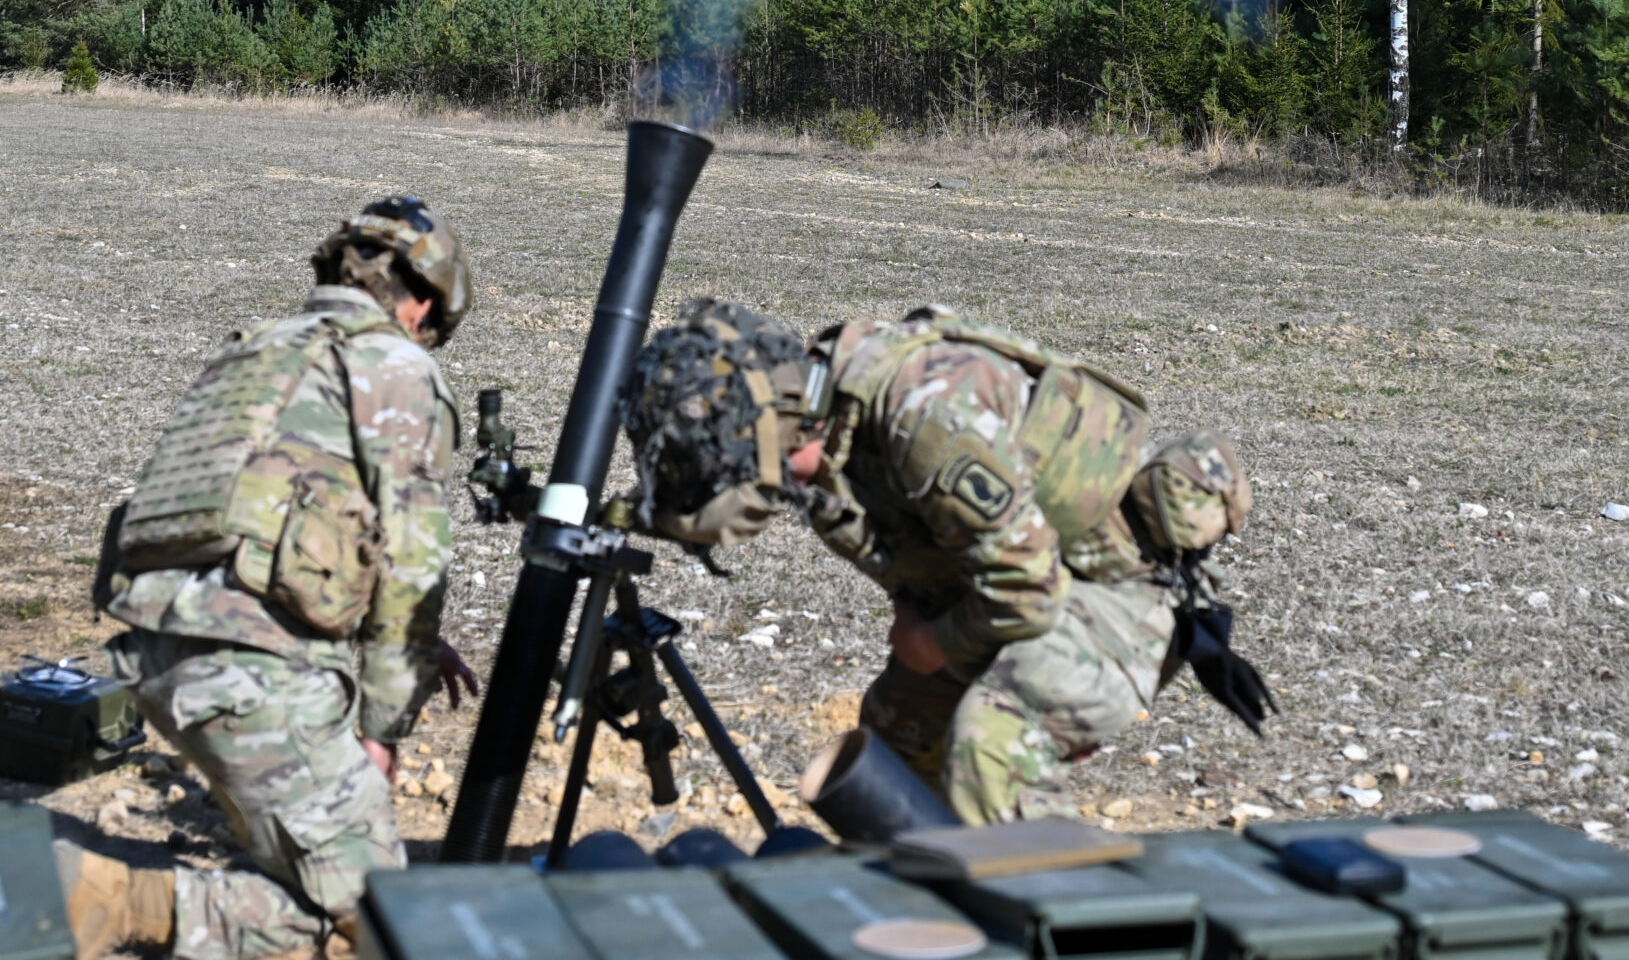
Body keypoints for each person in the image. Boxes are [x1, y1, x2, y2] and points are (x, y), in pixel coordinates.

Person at [624, 301, 1273, 825]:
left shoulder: (923, 418)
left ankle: (1051, 908)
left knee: (989, 740)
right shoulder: (812, 407)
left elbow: (1028, 588)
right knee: (894, 737)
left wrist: (931, 644)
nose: (757, 492)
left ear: (777, 426)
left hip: (1110, 604)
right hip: (1018, 592)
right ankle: (922, 910)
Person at [71, 197, 479, 960]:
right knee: (386, 917)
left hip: (161, 656)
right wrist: (381, 734)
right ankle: (111, 898)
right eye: (432, 325)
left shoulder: (257, 348)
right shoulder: (395, 365)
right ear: (422, 299)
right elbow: (413, 562)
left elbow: (269, 515)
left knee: (331, 881)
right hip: (254, 677)